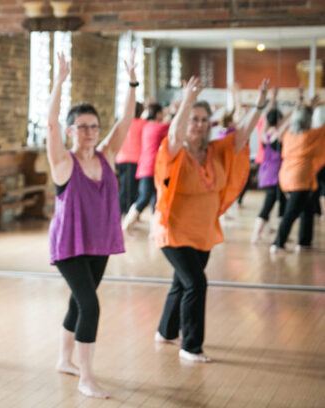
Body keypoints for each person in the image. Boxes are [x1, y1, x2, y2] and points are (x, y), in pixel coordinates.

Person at [153, 76, 268, 362]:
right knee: (196, 284)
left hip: (203, 232)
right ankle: (190, 346)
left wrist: (260, 104)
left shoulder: (216, 151)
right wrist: (188, 101)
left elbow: (242, 133)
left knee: (182, 282)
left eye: (204, 119)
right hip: (174, 231)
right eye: (194, 119)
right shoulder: (175, 152)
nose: (199, 124)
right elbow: (175, 135)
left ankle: (166, 331)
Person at [47, 51, 137, 399]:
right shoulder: (63, 163)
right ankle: (86, 377)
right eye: (82, 126)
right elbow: (52, 122)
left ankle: (63, 360)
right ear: (72, 130)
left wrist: (131, 83)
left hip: (99, 243)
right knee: (90, 305)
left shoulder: (106, 155)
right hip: (70, 246)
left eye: (93, 126)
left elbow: (127, 120)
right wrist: (58, 81)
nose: (89, 132)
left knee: (79, 301)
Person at [270, 94, 325, 252]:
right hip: (300, 179)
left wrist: (308, 106)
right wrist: (312, 108)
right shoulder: (310, 136)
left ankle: (304, 242)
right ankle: (277, 243)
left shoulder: (289, 135)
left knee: (307, 209)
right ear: (309, 121)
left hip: (287, 176)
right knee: (291, 212)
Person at [251, 87, 292, 243]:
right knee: (268, 207)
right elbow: (284, 123)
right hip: (273, 178)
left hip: (268, 175)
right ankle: (256, 235)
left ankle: (282, 235)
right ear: (279, 121)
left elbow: (271, 118)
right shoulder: (276, 135)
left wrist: (273, 98)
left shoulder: (265, 134)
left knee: (283, 203)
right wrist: (297, 107)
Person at [122, 103, 169, 233]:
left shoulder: (147, 126)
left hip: (150, 167)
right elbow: (173, 127)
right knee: (144, 198)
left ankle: (155, 231)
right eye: (162, 113)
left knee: (155, 198)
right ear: (158, 114)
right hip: (150, 167)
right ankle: (126, 225)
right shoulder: (156, 127)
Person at [115, 102, 145, 214]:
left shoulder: (122, 123)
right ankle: (124, 216)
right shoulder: (143, 124)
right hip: (133, 161)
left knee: (124, 189)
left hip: (120, 160)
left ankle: (123, 214)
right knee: (129, 191)